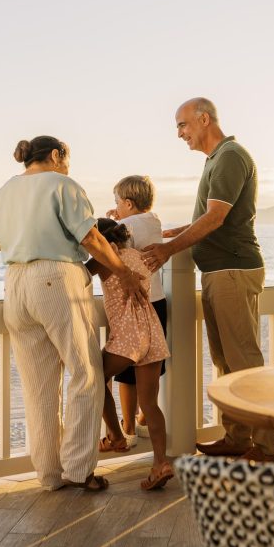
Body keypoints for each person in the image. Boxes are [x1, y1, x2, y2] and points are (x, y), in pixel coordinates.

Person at [0, 136, 146, 492]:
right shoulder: (63, 184)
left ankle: (49, 475)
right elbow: (91, 238)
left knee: (39, 387)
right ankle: (78, 470)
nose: (68, 165)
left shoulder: (3, 192)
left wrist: (24, 233)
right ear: (56, 155)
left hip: (15, 285)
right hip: (55, 279)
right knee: (86, 374)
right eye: (67, 158)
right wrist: (124, 272)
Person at [142, 97, 274, 463]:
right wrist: (177, 232)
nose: (179, 134)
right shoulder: (216, 160)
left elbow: (217, 217)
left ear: (203, 119)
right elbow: (212, 215)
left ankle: (267, 446)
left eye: (182, 125)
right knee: (226, 362)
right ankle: (237, 437)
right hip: (219, 271)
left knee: (245, 361)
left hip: (232, 269)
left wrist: (168, 250)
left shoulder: (230, 156)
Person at [89, 217, 173, 490]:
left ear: (106, 242)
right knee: (150, 404)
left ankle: (116, 437)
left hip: (129, 337)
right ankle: (161, 463)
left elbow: (79, 274)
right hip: (152, 334)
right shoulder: (137, 256)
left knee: (94, 380)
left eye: (94, 242)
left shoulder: (105, 259)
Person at [104, 175, 167, 443]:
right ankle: (142, 419)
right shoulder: (154, 222)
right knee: (149, 370)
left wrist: (112, 222)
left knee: (125, 373)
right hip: (158, 302)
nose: (116, 206)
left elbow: (110, 244)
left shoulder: (125, 226)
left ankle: (127, 427)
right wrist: (118, 218)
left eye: (117, 201)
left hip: (134, 307)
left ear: (128, 203)